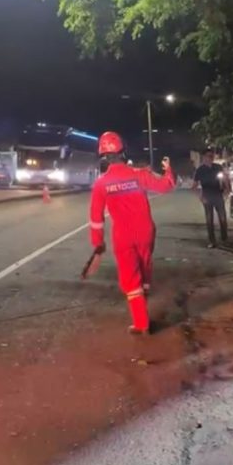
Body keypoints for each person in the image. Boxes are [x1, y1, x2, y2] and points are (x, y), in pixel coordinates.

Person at [88, 131, 176, 334]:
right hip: (146, 232)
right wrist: (168, 169)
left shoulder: (101, 184)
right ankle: (144, 294)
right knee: (145, 266)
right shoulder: (139, 174)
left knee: (130, 278)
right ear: (123, 152)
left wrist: (98, 243)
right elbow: (166, 186)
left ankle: (141, 323)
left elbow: (96, 218)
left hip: (123, 236)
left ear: (103, 156)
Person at [192, 148, 229, 248]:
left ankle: (224, 238)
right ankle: (212, 241)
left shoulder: (218, 167)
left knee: (223, 218)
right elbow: (194, 186)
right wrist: (201, 197)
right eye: (208, 156)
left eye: (212, 156)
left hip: (218, 195)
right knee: (209, 220)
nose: (210, 158)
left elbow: (225, 179)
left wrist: (227, 190)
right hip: (207, 197)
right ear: (204, 157)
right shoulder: (200, 170)